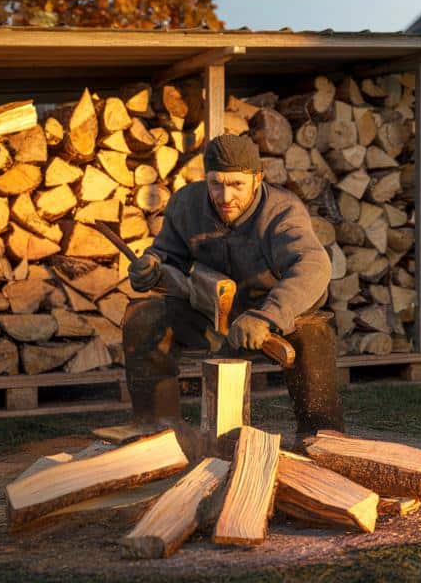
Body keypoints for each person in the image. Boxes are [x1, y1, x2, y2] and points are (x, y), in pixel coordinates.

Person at [121, 134, 343, 445]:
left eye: (237, 184)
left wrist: (267, 317)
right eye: (216, 184)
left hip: (271, 318)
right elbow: (167, 254)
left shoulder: (282, 211)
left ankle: (320, 440)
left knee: (313, 333)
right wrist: (152, 266)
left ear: (257, 179)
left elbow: (313, 265)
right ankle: (158, 433)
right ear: (207, 179)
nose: (225, 196)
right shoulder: (186, 204)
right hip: (210, 315)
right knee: (143, 316)